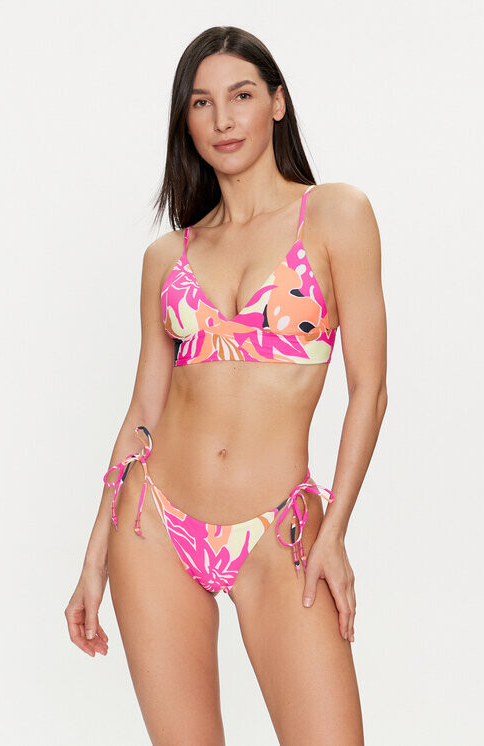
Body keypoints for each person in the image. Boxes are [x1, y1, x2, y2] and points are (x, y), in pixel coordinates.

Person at [65, 25, 387, 746]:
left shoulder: (335, 215)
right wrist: (93, 559)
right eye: (201, 103)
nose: (223, 119)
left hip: (279, 531)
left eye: (241, 96)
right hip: (153, 526)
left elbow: (369, 389)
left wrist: (335, 532)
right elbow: (143, 410)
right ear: (186, 121)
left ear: (277, 102)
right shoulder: (167, 256)